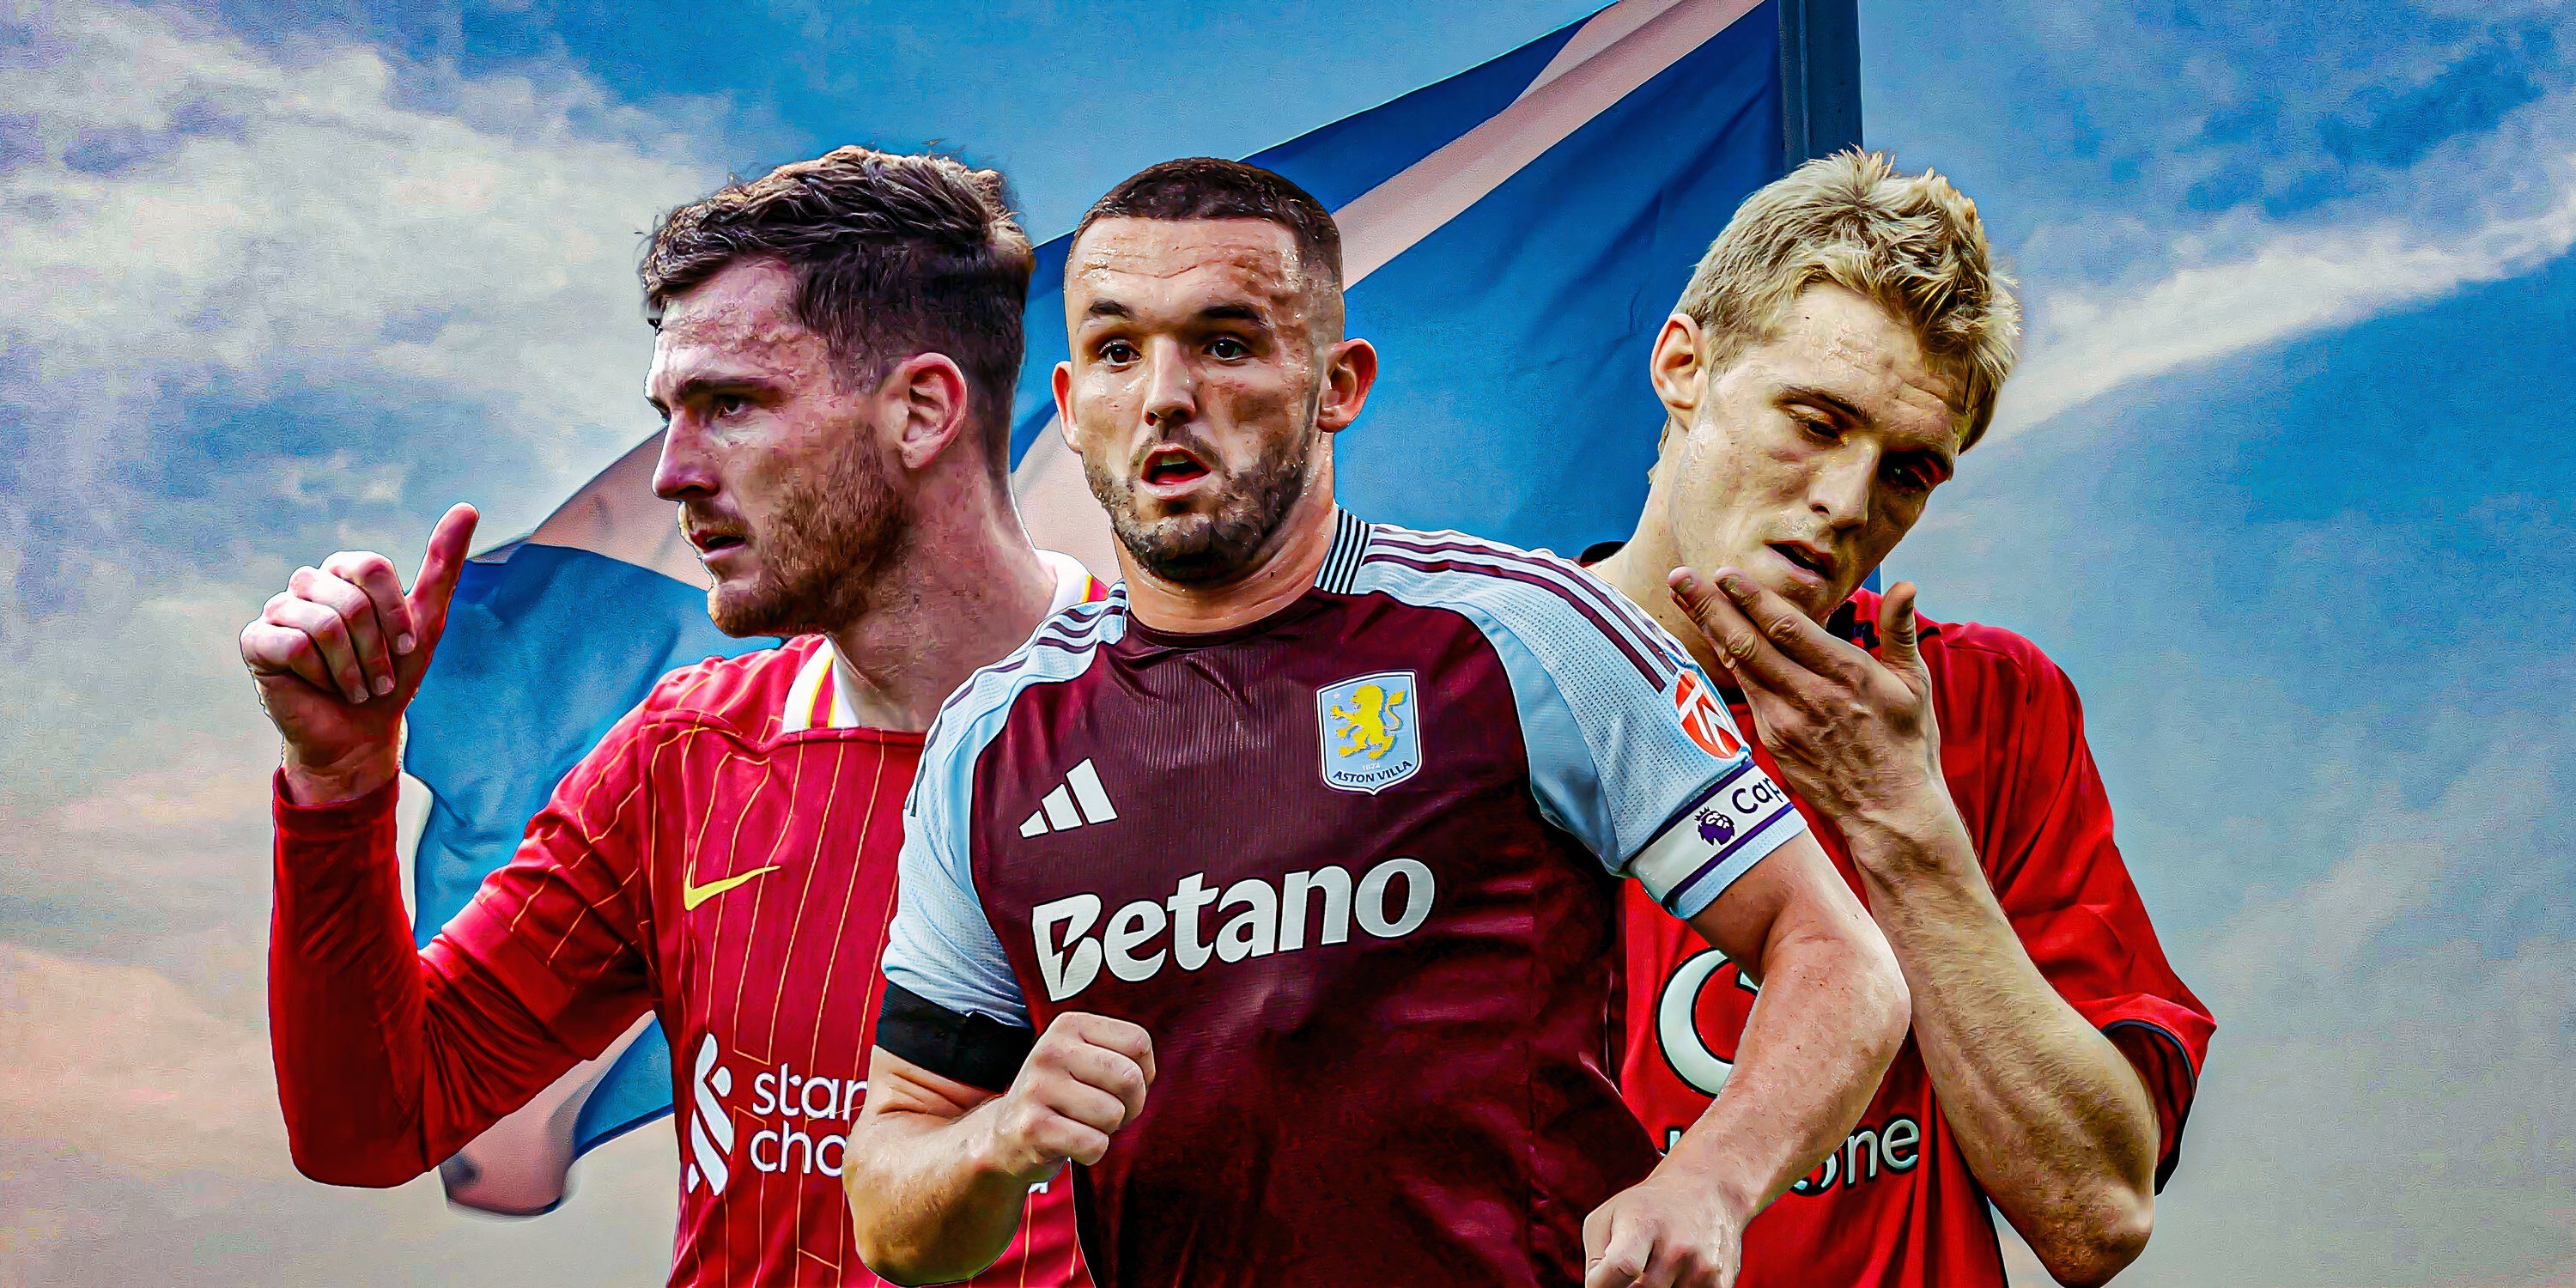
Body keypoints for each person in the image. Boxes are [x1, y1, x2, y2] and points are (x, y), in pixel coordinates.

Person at [838, 157, 1911, 1288]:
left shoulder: (1522, 635)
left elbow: (1840, 958)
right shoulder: (994, 740)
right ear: (1068, 407)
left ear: (1339, 383)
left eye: (1224, 342)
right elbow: (897, 1202)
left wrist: (1713, 1178)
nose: (1162, 394)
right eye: (1117, 349)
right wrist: (995, 1145)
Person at [245, 147, 1097, 1286]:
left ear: (924, 410)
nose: (673, 472)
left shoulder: (1231, 737)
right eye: (669, 413)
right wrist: (338, 792)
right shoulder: (682, 759)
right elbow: (373, 1128)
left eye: (730, 405)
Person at [1584, 150, 2216, 1288]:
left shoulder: (1990, 706)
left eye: (1908, 470)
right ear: (1684, 364)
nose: (1846, 504)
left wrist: (1903, 829)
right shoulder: (1470, 691)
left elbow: (2096, 1214)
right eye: (1816, 422)